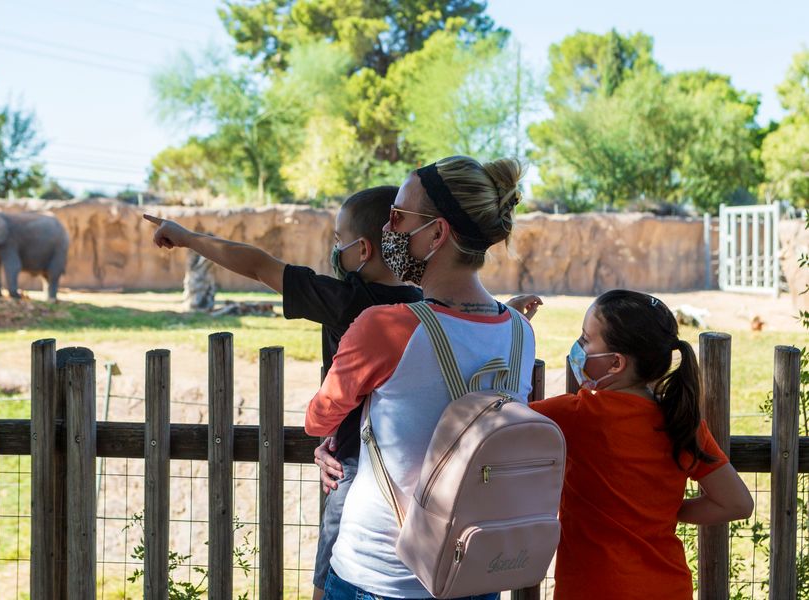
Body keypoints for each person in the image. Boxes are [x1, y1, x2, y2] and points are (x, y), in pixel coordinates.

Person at [143, 188, 542, 599]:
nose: (335, 250)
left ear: (363, 249)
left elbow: (260, 265)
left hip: (357, 468)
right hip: (448, 497)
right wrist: (505, 312)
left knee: (329, 568)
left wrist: (187, 236)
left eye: (338, 241)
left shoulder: (350, 303)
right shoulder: (422, 303)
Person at [304, 155, 536, 600]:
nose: (388, 230)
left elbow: (319, 419)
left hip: (379, 576)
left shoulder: (385, 327)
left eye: (398, 217)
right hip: (471, 572)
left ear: (437, 232)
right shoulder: (520, 333)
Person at [528, 290, 754, 599]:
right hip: (668, 587)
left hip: (594, 589)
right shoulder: (681, 422)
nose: (578, 347)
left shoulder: (579, 414)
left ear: (616, 362)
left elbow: (498, 417)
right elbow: (737, 503)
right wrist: (664, 512)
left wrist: (515, 327)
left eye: (585, 339)